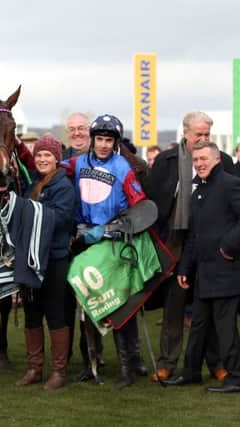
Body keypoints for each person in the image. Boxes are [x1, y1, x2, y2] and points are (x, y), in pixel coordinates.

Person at [144, 111, 234, 383]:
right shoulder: (166, 160)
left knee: (208, 308)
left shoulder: (224, 161)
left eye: (207, 135)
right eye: (199, 134)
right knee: (174, 308)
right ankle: (167, 363)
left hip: (211, 243)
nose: (204, 139)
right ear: (185, 133)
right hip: (174, 243)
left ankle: (216, 363)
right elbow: (152, 201)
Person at [168, 141, 240, 393]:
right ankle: (191, 373)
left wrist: (229, 245)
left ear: (217, 159)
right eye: (196, 160)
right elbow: (195, 236)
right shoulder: (199, 190)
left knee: (224, 328)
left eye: (204, 159)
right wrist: (185, 268)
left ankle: (237, 379)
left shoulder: (231, 184)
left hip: (228, 272)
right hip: (205, 273)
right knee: (199, 325)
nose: (199, 164)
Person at [65, 114, 147, 388]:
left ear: (115, 143)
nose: (102, 144)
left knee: (118, 305)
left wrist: (110, 229)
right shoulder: (77, 162)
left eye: (107, 140)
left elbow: (141, 210)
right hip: (82, 241)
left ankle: (128, 366)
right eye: (98, 139)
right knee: (86, 307)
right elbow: (49, 170)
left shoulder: (123, 167)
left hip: (111, 242)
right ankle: (92, 362)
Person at [15, 134, 75, 390]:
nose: (41, 159)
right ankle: (34, 368)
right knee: (32, 313)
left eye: (47, 155)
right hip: (32, 258)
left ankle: (59, 371)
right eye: (38, 155)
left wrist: (28, 212)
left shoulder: (63, 186)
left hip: (54, 258)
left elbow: (61, 218)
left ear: (57, 159)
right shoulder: (34, 184)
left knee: (55, 313)